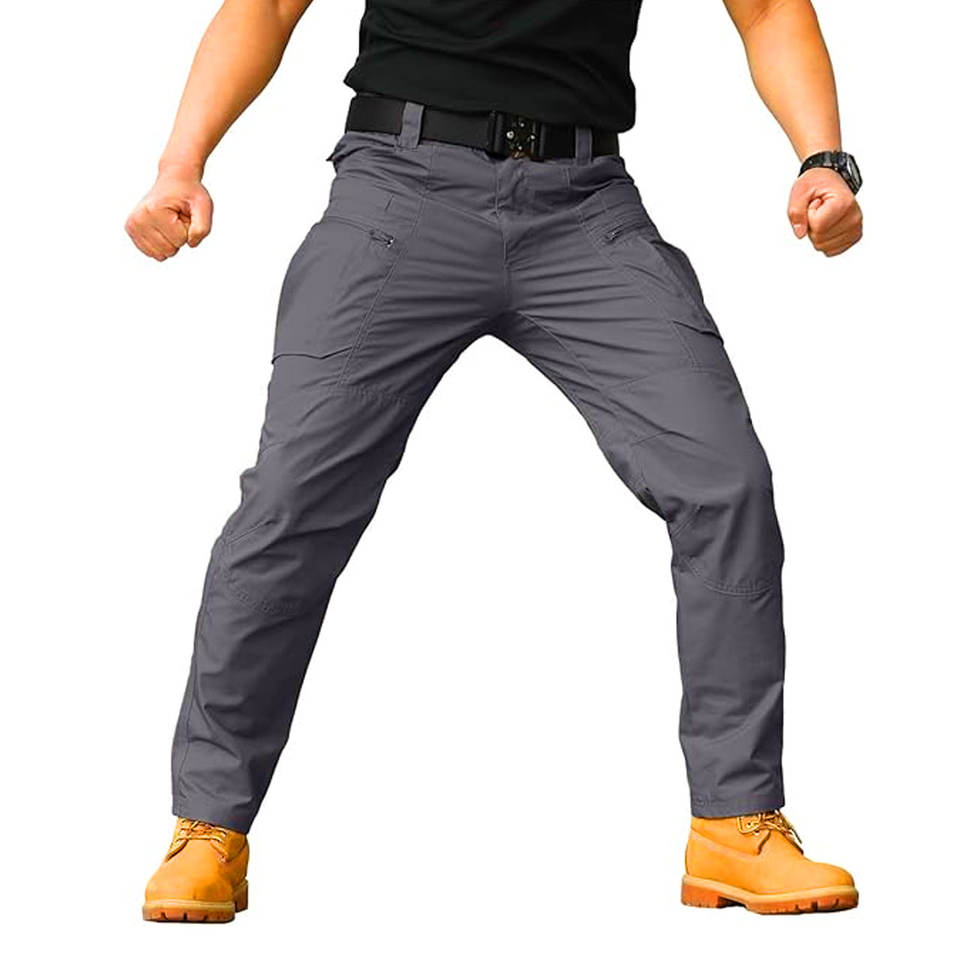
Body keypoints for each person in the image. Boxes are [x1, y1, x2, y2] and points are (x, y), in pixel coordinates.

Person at [128, 0, 863, 922]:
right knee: (290, 501)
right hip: (399, 190)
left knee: (726, 482)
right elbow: (268, 7)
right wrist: (181, 163)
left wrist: (822, 158)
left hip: (585, 205)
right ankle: (208, 829)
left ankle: (736, 823)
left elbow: (769, 11)